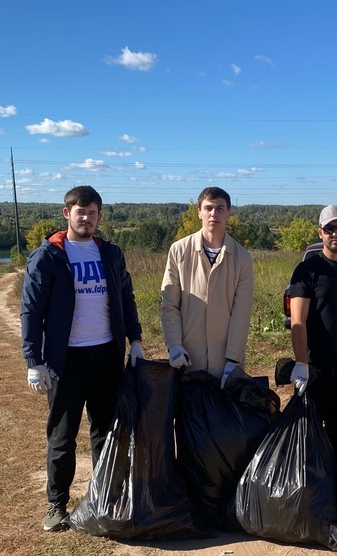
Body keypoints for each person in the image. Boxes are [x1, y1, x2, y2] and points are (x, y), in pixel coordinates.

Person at [21, 185, 145, 532]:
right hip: (66, 361)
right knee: (62, 435)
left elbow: (126, 296)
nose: (86, 218)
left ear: (99, 217)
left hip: (106, 355)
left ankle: (104, 496)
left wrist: (134, 339)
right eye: (80, 212)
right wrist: (34, 360)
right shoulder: (48, 257)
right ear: (67, 214)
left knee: (106, 432)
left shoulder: (110, 253)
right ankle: (56, 505)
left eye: (92, 213)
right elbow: (31, 311)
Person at [287, 205, 337, 458]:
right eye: (330, 228)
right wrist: (301, 364)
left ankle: (334, 484)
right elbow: (297, 321)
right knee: (308, 428)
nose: (336, 233)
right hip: (315, 365)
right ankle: (310, 486)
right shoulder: (307, 271)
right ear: (320, 232)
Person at [161, 186, 254, 386]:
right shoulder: (179, 251)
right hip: (187, 360)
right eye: (208, 208)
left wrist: (234, 360)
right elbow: (169, 304)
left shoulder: (242, 258)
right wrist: (174, 345)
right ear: (199, 212)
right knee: (189, 416)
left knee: (225, 416)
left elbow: (242, 314)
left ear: (229, 213)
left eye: (220, 208)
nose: (214, 214)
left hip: (225, 363)